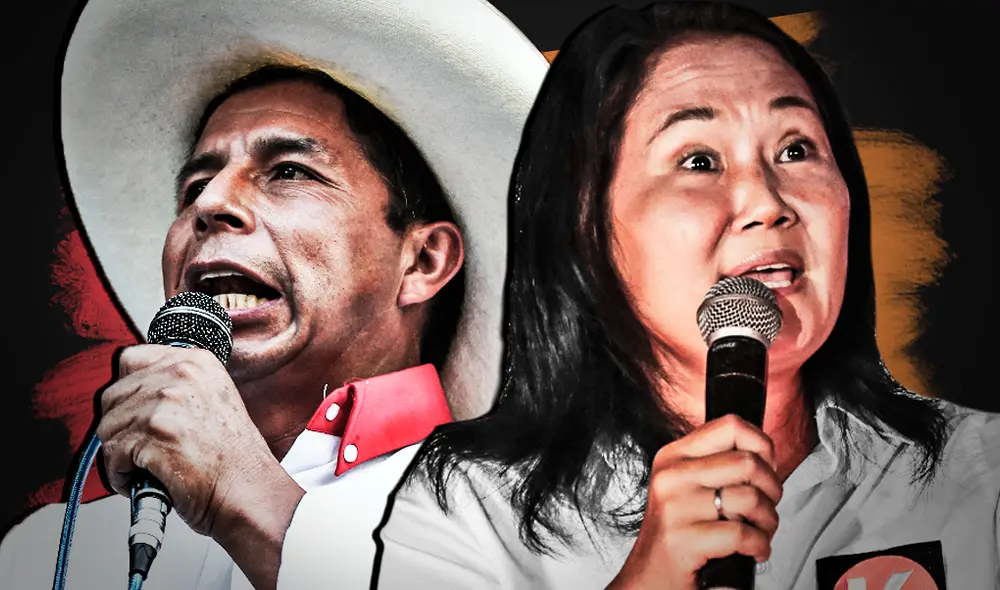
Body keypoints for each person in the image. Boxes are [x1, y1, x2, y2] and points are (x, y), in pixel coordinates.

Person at [374, 3, 1000, 589]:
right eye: (698, 161)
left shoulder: (980, 473)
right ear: (585, 228)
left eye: (796, 149)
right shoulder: (471, 510)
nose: (767, 203)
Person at [0, 0, 546, 588]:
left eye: (289, 171)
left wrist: (242, 495)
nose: (210, 204)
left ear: (423, 260)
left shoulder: (541, 517)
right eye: (195, 186)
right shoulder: (53, 552)